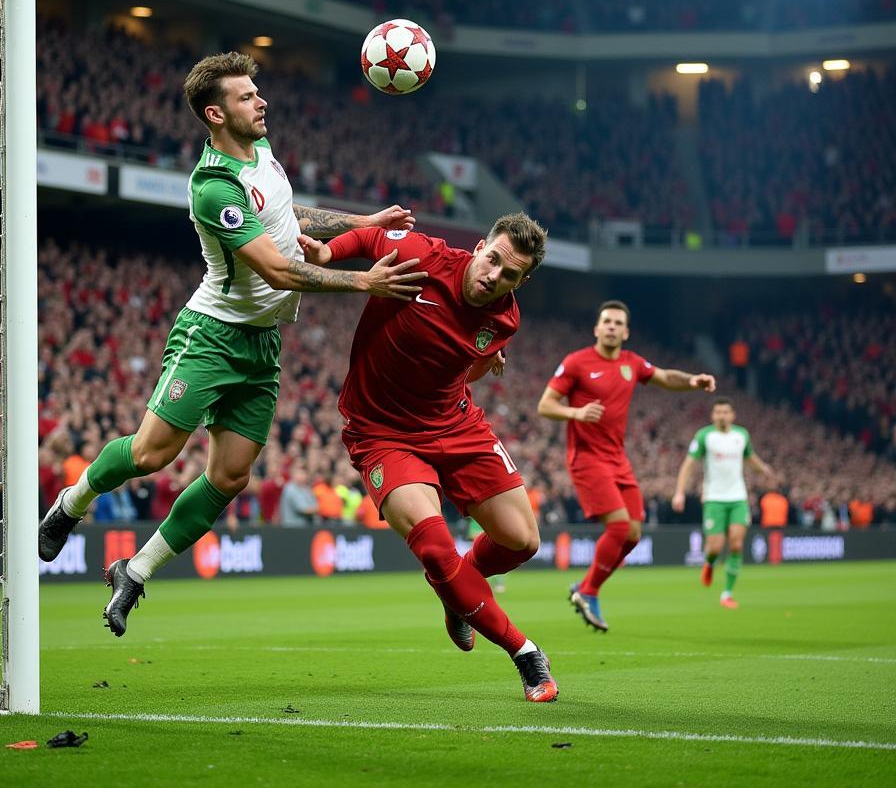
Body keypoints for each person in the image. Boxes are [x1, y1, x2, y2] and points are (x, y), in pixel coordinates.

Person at [38, 51, 427, 636]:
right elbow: (277, 269)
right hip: (211, 336)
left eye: (257, 92)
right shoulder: (211, 187)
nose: (261, 101)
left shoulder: (262, 155)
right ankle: (70, 505)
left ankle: (135, 571)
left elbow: (288, 216)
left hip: (262, 345)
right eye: (247, 97)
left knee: (230, 477)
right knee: (151, 456)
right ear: (215, 114)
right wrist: (363, 281)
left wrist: (360, 223)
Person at [298, 212, 558, 703]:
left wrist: (486, 362)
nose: (494, 277)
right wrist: (331, 254)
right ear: (480, 246)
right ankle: (525, 654)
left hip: (454, 423)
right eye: (493, 260)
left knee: (522, 542)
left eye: (510, 275)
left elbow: (471, 367)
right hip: (384, 433)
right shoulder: (424, 257)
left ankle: (458, 591)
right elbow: (373, 236)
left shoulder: (505, 317)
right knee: (437, 549)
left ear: (521, 282)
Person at [536, 300, 716, 632]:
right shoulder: (576, 362)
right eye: (606, 321)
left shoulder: (632, 363)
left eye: (618, 323)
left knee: (633, 534)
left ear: (626, 331)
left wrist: (693, 381)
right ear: (596, 328)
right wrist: (575, 413)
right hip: (587, 458)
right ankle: (588, 592)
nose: (612, 327)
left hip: (619, 458)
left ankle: (586, 588)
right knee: (619, 528)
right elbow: (545, 404)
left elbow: (664, 377)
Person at [671, 398, 776, 609]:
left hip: (738, 497)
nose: (721, 415)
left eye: (725, 412)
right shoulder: (704, 436)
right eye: (718, 412)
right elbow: (688, 465)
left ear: (732, 415)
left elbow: (750, 457)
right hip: (714, 498)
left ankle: (727, 593)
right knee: (715, 547)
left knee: (736, 543)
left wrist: (764, 469)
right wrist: (679, 493)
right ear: (713, 415)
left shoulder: (741, 435)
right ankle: (709, 563)